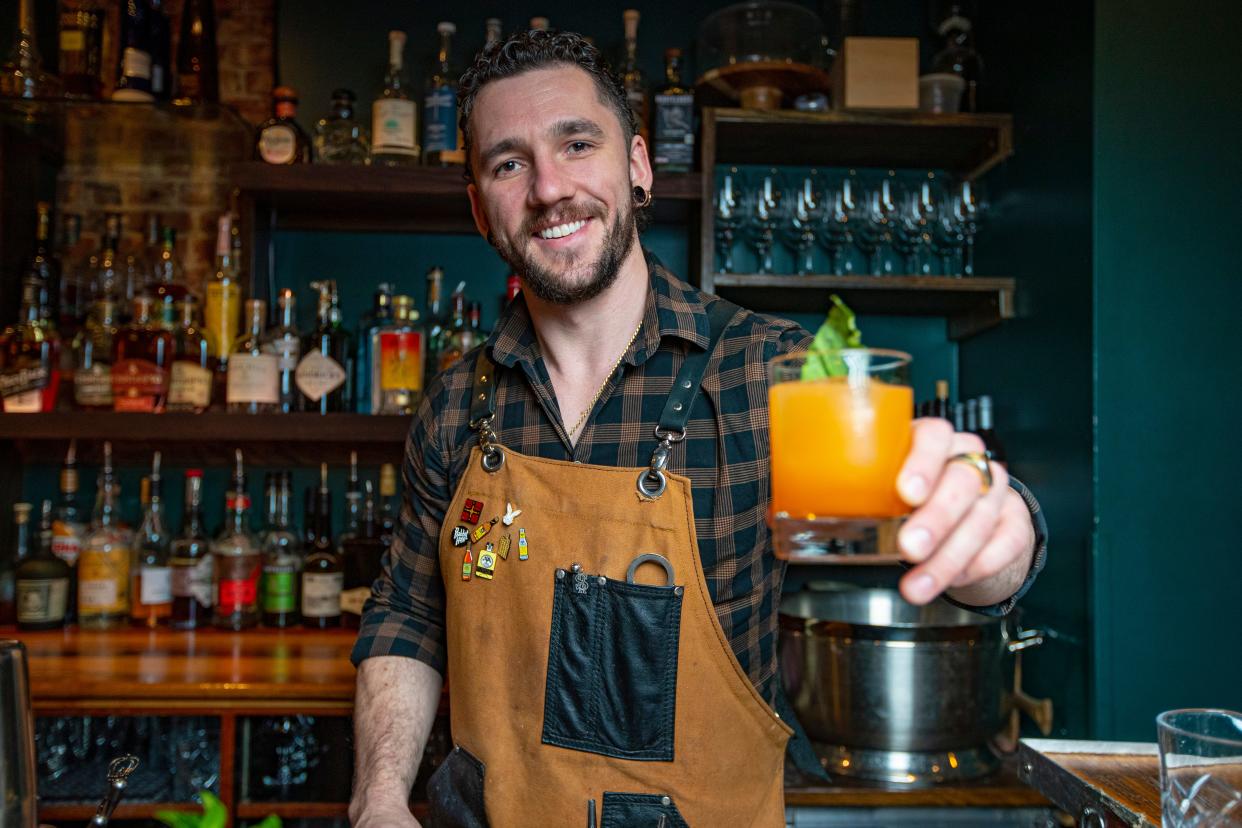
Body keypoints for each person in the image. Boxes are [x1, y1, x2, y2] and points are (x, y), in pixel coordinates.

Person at [349, 29, 1047, 828]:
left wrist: (998, 529)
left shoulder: (769, 376)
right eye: (509, 163)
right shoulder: (453, 405)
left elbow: (961, 544)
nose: (549, 188)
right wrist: (378, 798)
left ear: (638, 166)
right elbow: (407, 614)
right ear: (479, 206)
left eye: (578, 144)